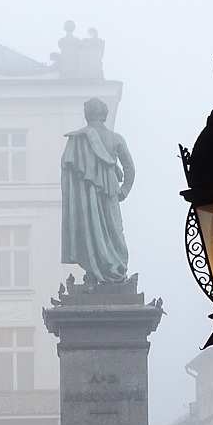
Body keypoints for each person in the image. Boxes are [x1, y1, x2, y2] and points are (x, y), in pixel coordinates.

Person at [60, 96, 135, 284]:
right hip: (110, 192)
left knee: (91, 231)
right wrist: (124, 190)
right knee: (114, 231)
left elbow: (67, 173)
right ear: (104, 115)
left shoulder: (77, 139)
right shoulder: (116, 138)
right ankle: (116, 268)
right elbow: (130, 167)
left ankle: (94, 269)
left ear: (87, 116)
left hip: (87, 197)